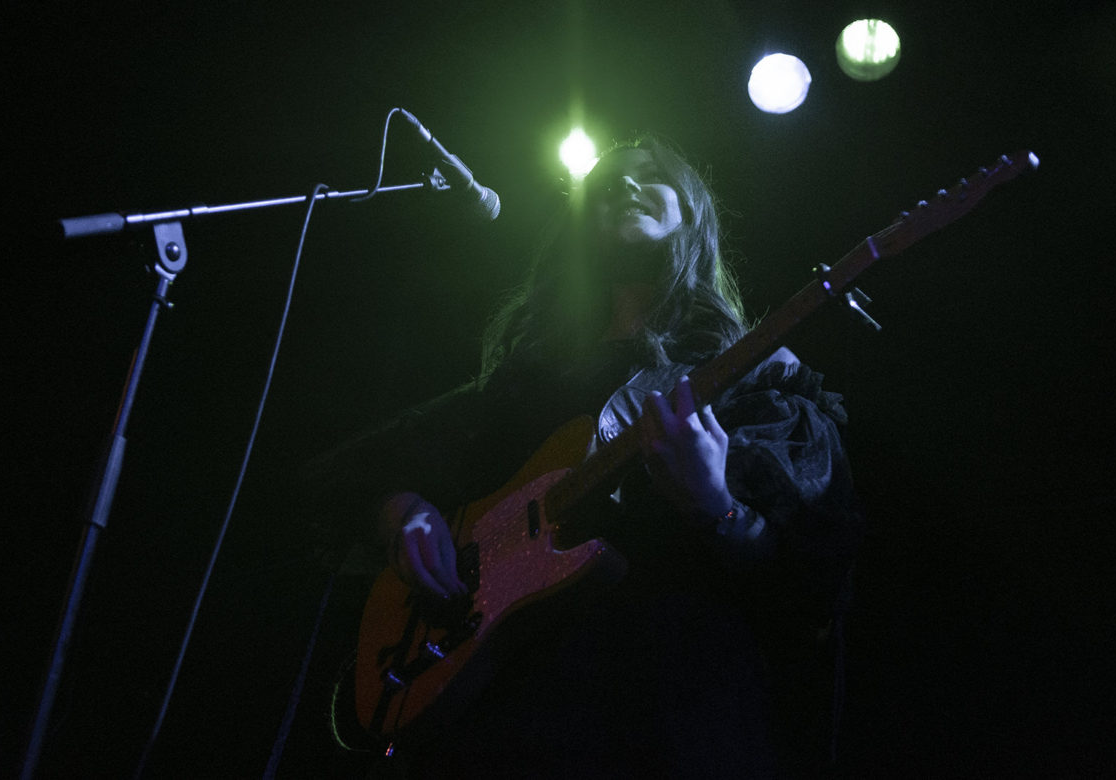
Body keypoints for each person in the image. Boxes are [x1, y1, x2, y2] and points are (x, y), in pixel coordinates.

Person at [312, 137, 863, 777]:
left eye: (650, 176)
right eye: (606, 183)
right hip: (497, 713)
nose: (624, 187)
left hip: (659, 715)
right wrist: (401, 509)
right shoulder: (523, 386)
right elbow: (345, 472)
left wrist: (716, 502)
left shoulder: (754, 378)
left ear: (693, 214)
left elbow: (813, 579)